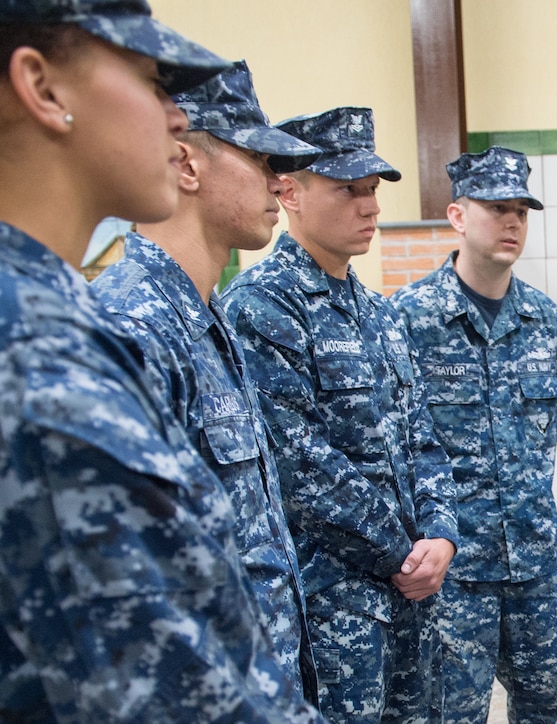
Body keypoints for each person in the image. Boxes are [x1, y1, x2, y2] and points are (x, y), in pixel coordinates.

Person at [0, 1, 321, 721]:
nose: (176, 119)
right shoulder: (38, 353)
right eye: (150, 82)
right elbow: (156, 685)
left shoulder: (66, 317)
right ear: (43, 88)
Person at [91, 59, 322, 704]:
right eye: (261, 161)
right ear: (189, 165)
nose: (280, 186)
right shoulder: (135, 327)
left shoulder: (207, 316)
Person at [221, 106, 459, 723]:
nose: (369, 207)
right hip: (336, 605)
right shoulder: (260, 307)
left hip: (413, 594)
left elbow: (424, 438)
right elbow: (300, 465)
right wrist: (406, 552)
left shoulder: (378, 312)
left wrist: (441, 535)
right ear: (290, 192)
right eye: (347, 190)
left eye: (372, 190)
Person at [391, 146, 557, 723]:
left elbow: (542, 445)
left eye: (521, 211)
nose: (512, 223)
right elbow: (394, 448)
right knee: (450, 715)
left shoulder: (548, 326)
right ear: (457, 216)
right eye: (497, 208)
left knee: (546, 711)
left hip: (536, 570)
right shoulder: (406, 320)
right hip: (453, 574)